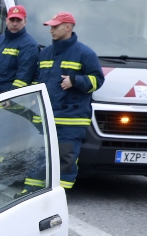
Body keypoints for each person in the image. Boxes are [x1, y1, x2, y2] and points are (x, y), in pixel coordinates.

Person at [30, 11, 105, 190]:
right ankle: (32, 192)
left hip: (71, 119)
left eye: (55, 26)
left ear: (68, 27)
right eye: (51, 26)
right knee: (39, 155)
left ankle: (59, 195)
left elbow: (98, 80)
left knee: (65, 159)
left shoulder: (85, 53)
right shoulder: (46, 53)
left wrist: (76, 80)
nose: (51, 30)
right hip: (46, 117)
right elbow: (37, 80)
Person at [0, 5, 40, 103]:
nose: (14, 23)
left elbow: (23, 78)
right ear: (6, 20)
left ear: (25, 22)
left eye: (18, 20)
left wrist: (11, 99)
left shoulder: (29, 45)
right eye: (12, 20)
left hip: (6, 105)